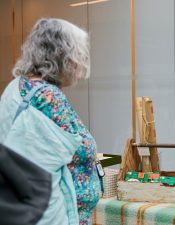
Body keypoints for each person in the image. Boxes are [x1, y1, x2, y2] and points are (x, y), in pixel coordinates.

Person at [0, 18, 100, 225]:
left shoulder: (17, 87)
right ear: (62, 56)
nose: (80, 67)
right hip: (55, 216)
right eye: (78, 56)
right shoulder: (48, 97)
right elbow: (50, 167)